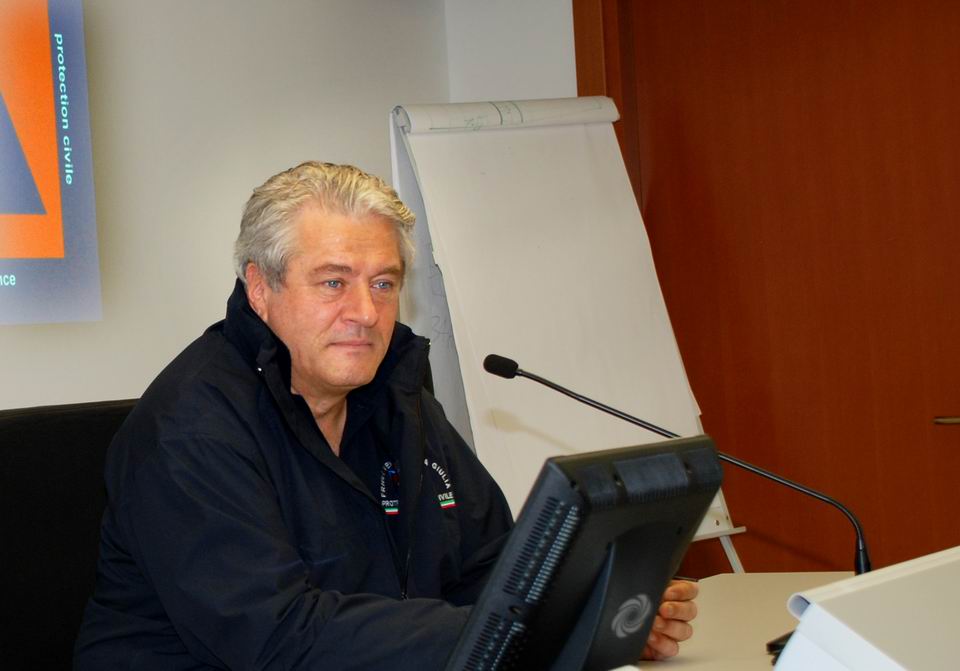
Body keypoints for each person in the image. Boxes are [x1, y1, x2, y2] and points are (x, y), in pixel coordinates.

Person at [75, 161, 697, 669]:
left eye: (383, 283)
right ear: (261, 289)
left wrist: (586, 613)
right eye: (333, 282)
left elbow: (487, 566)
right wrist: (527, 628)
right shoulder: (191, 430)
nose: (366, 314)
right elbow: (278, 639)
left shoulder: (397, 398)